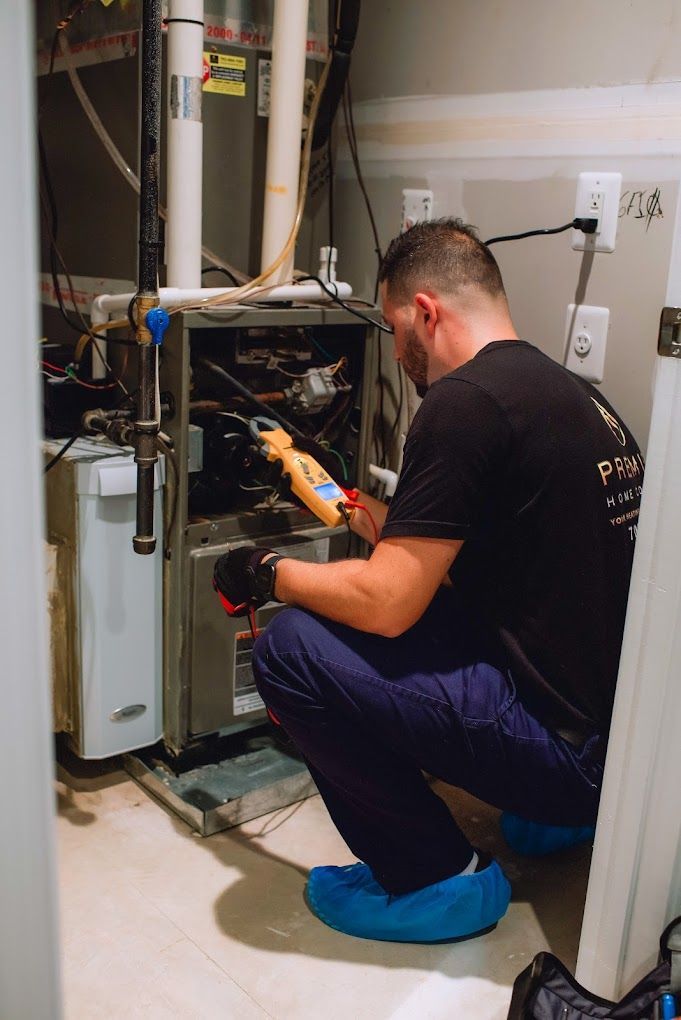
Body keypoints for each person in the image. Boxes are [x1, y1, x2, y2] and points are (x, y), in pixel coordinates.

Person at [213, 218, 644, 944]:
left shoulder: (462, 403)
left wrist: (265, 572)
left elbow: (386, 606)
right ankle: (546, 823)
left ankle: (431, 876)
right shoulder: (565, 394)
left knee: (289, 647)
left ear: (425, 311)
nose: (393, 346)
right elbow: (506, 556)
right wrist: (363, 513)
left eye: (389, 326)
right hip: (612, 747)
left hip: (565, 757)